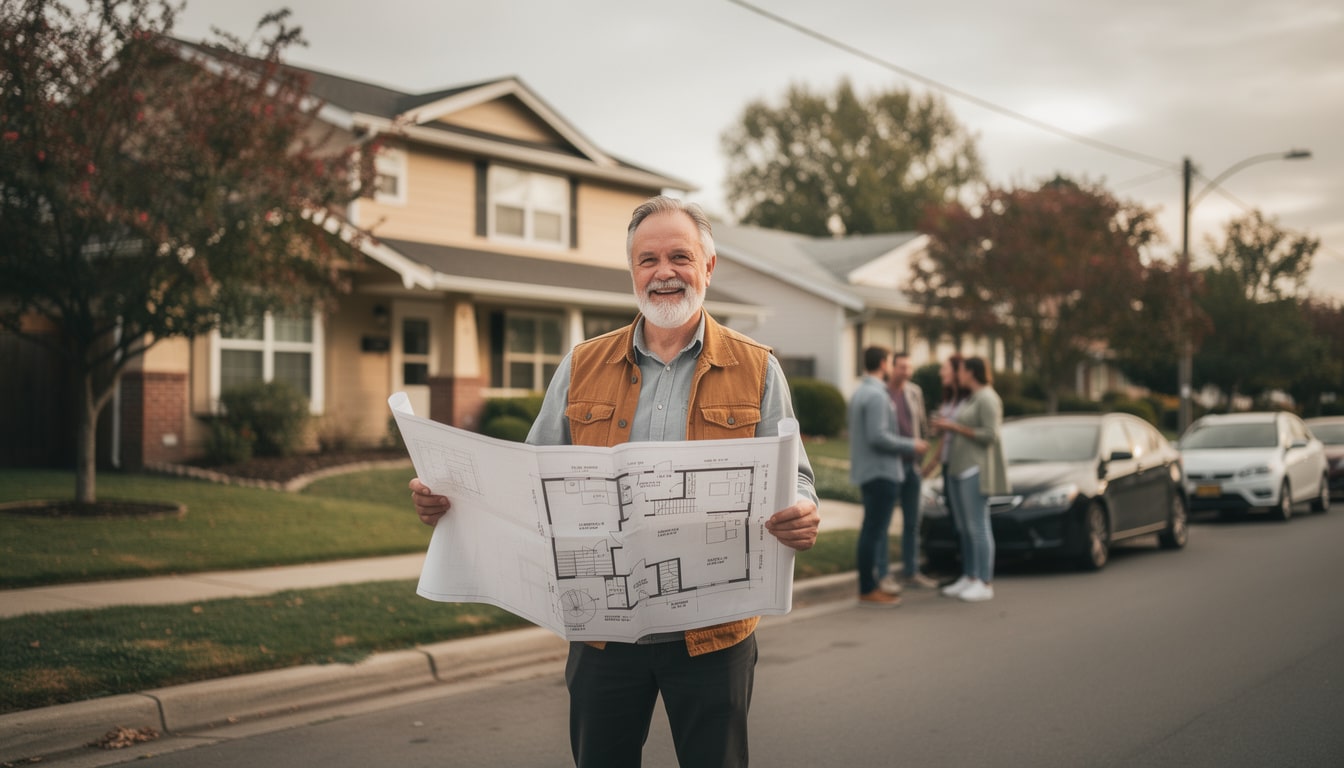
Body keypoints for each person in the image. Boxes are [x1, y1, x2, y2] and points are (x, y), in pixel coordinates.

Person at [410, 195, 820, 768]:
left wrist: (801, 509)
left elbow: (796, 477)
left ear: (708, 266)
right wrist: (451, 499)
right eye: (648, 259)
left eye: (680, 256)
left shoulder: (757, 369)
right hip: (603, 629)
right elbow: (527, 480)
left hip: (712, 632)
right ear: (632, 270)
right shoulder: (582, 365)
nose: (664, 272)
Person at [848, 345, 928, 607]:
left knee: (870, 531)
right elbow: (878, 436)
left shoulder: (860, 392)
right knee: (874, 532)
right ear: (883, 363)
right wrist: (912, 444)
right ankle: (869, 588)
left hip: (869, 471)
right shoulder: (877, 395)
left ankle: (870, 586)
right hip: (882, 473)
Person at [929, 356, 1007, 603]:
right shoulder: (973, 397)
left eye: (961, 370)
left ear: (972, 372)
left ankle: (985, 582)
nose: (958, 374)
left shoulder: (988, 398)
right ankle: (970, 576)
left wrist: (955, 428)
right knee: (965, 528)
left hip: (975, 469)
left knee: (978, 527)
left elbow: (990, 435)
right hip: (959, 468)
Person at [882, 351, 939, 592]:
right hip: (889, 465)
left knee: (912, 523)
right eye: (902, 367)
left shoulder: (915, 392)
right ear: (892, 368)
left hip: (912, 466)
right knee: (883, 523)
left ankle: (911, 572)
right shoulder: (881, 392)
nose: (906, 372)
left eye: (909, 367)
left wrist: (921, 457)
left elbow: (922, 426)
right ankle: (882, 574)